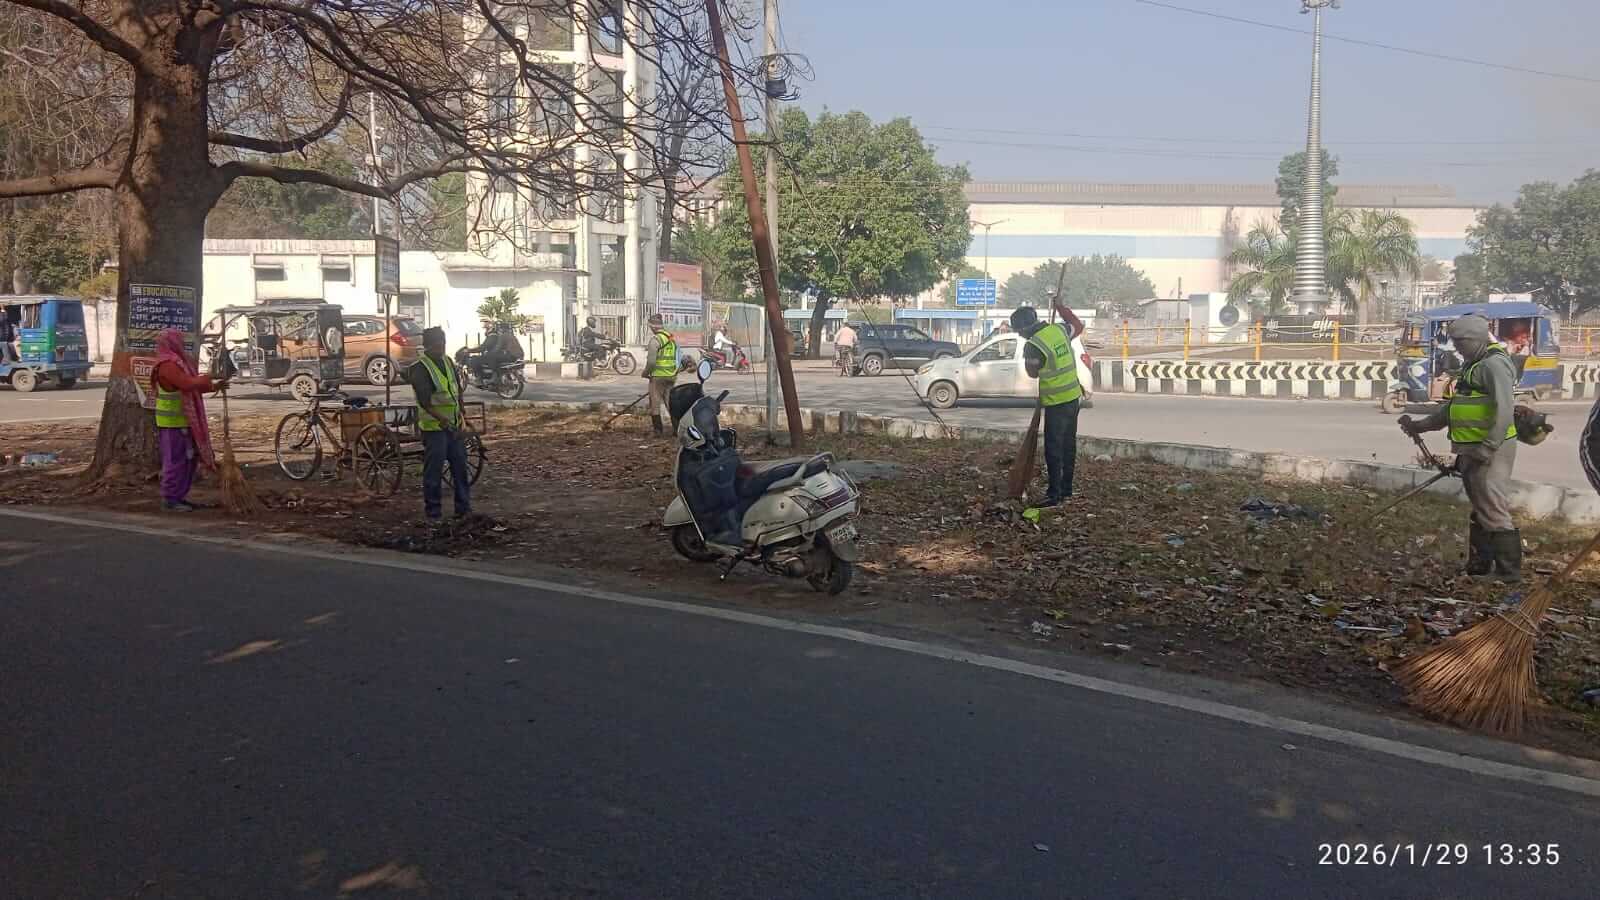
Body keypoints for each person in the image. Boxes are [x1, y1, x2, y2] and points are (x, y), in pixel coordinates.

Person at [1401, 314, 1521, 580]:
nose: (1457, 348)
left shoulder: (1493, 365)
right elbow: (1455, 408)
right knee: (1481, 509)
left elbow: (1504, 410)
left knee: (1492, 508)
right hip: (1472, 448)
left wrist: (1488, 448)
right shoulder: (1473, 364)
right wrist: (1422, 426)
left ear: (1475, 340)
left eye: (1460, 343)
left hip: (1490, 449)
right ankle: (1479, 566)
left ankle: (1508, 572)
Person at [1016, 298, 1087, 507]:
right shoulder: (1060, 330)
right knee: (1068, 446)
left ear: (1025, 328)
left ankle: (1054, 495)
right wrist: (1061, 308)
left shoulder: (1033, 345)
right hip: (1073, 398)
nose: (1019, 335)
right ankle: (1066, 490)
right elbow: (1078, 325)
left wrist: (1031, 359)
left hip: (1056, 403)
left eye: (1019, 331)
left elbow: (1032, 373)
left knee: (1053, 449)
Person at [151, 329, 222, 512]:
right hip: (172, 424)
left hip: (183, 421)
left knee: (188, 461)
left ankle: (180, 496)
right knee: (176, 461)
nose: (182, 344)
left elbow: (190, 386)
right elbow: (187, 384)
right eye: (179, 341)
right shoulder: (167, 365)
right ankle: (171, 499)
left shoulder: (178, 362)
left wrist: (213, 386)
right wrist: (207, 377)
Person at [409, 326, 473, 521]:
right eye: (438, 344)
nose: (442, 347)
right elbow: (425, 402)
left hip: (454, 425)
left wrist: (462, 413)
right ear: (428, 346)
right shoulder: (420, 368)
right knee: (434, 471)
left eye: (443, 343)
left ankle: (463, 509)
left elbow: (456, 389)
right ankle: (434, 513)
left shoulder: (448, 361)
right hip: (434, 428)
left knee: (460, 467)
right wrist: (441, 419)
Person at [642, 313, 679, 436]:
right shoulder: (671, 338)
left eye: (650, 326)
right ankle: (677, 430)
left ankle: (658, 431)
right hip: (671, 376)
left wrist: (645, 373)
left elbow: (651, 362)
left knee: (655, 404)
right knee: (670, 404)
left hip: (658, 377)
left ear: (653, 326)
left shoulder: (656, 340)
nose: (650, 329)